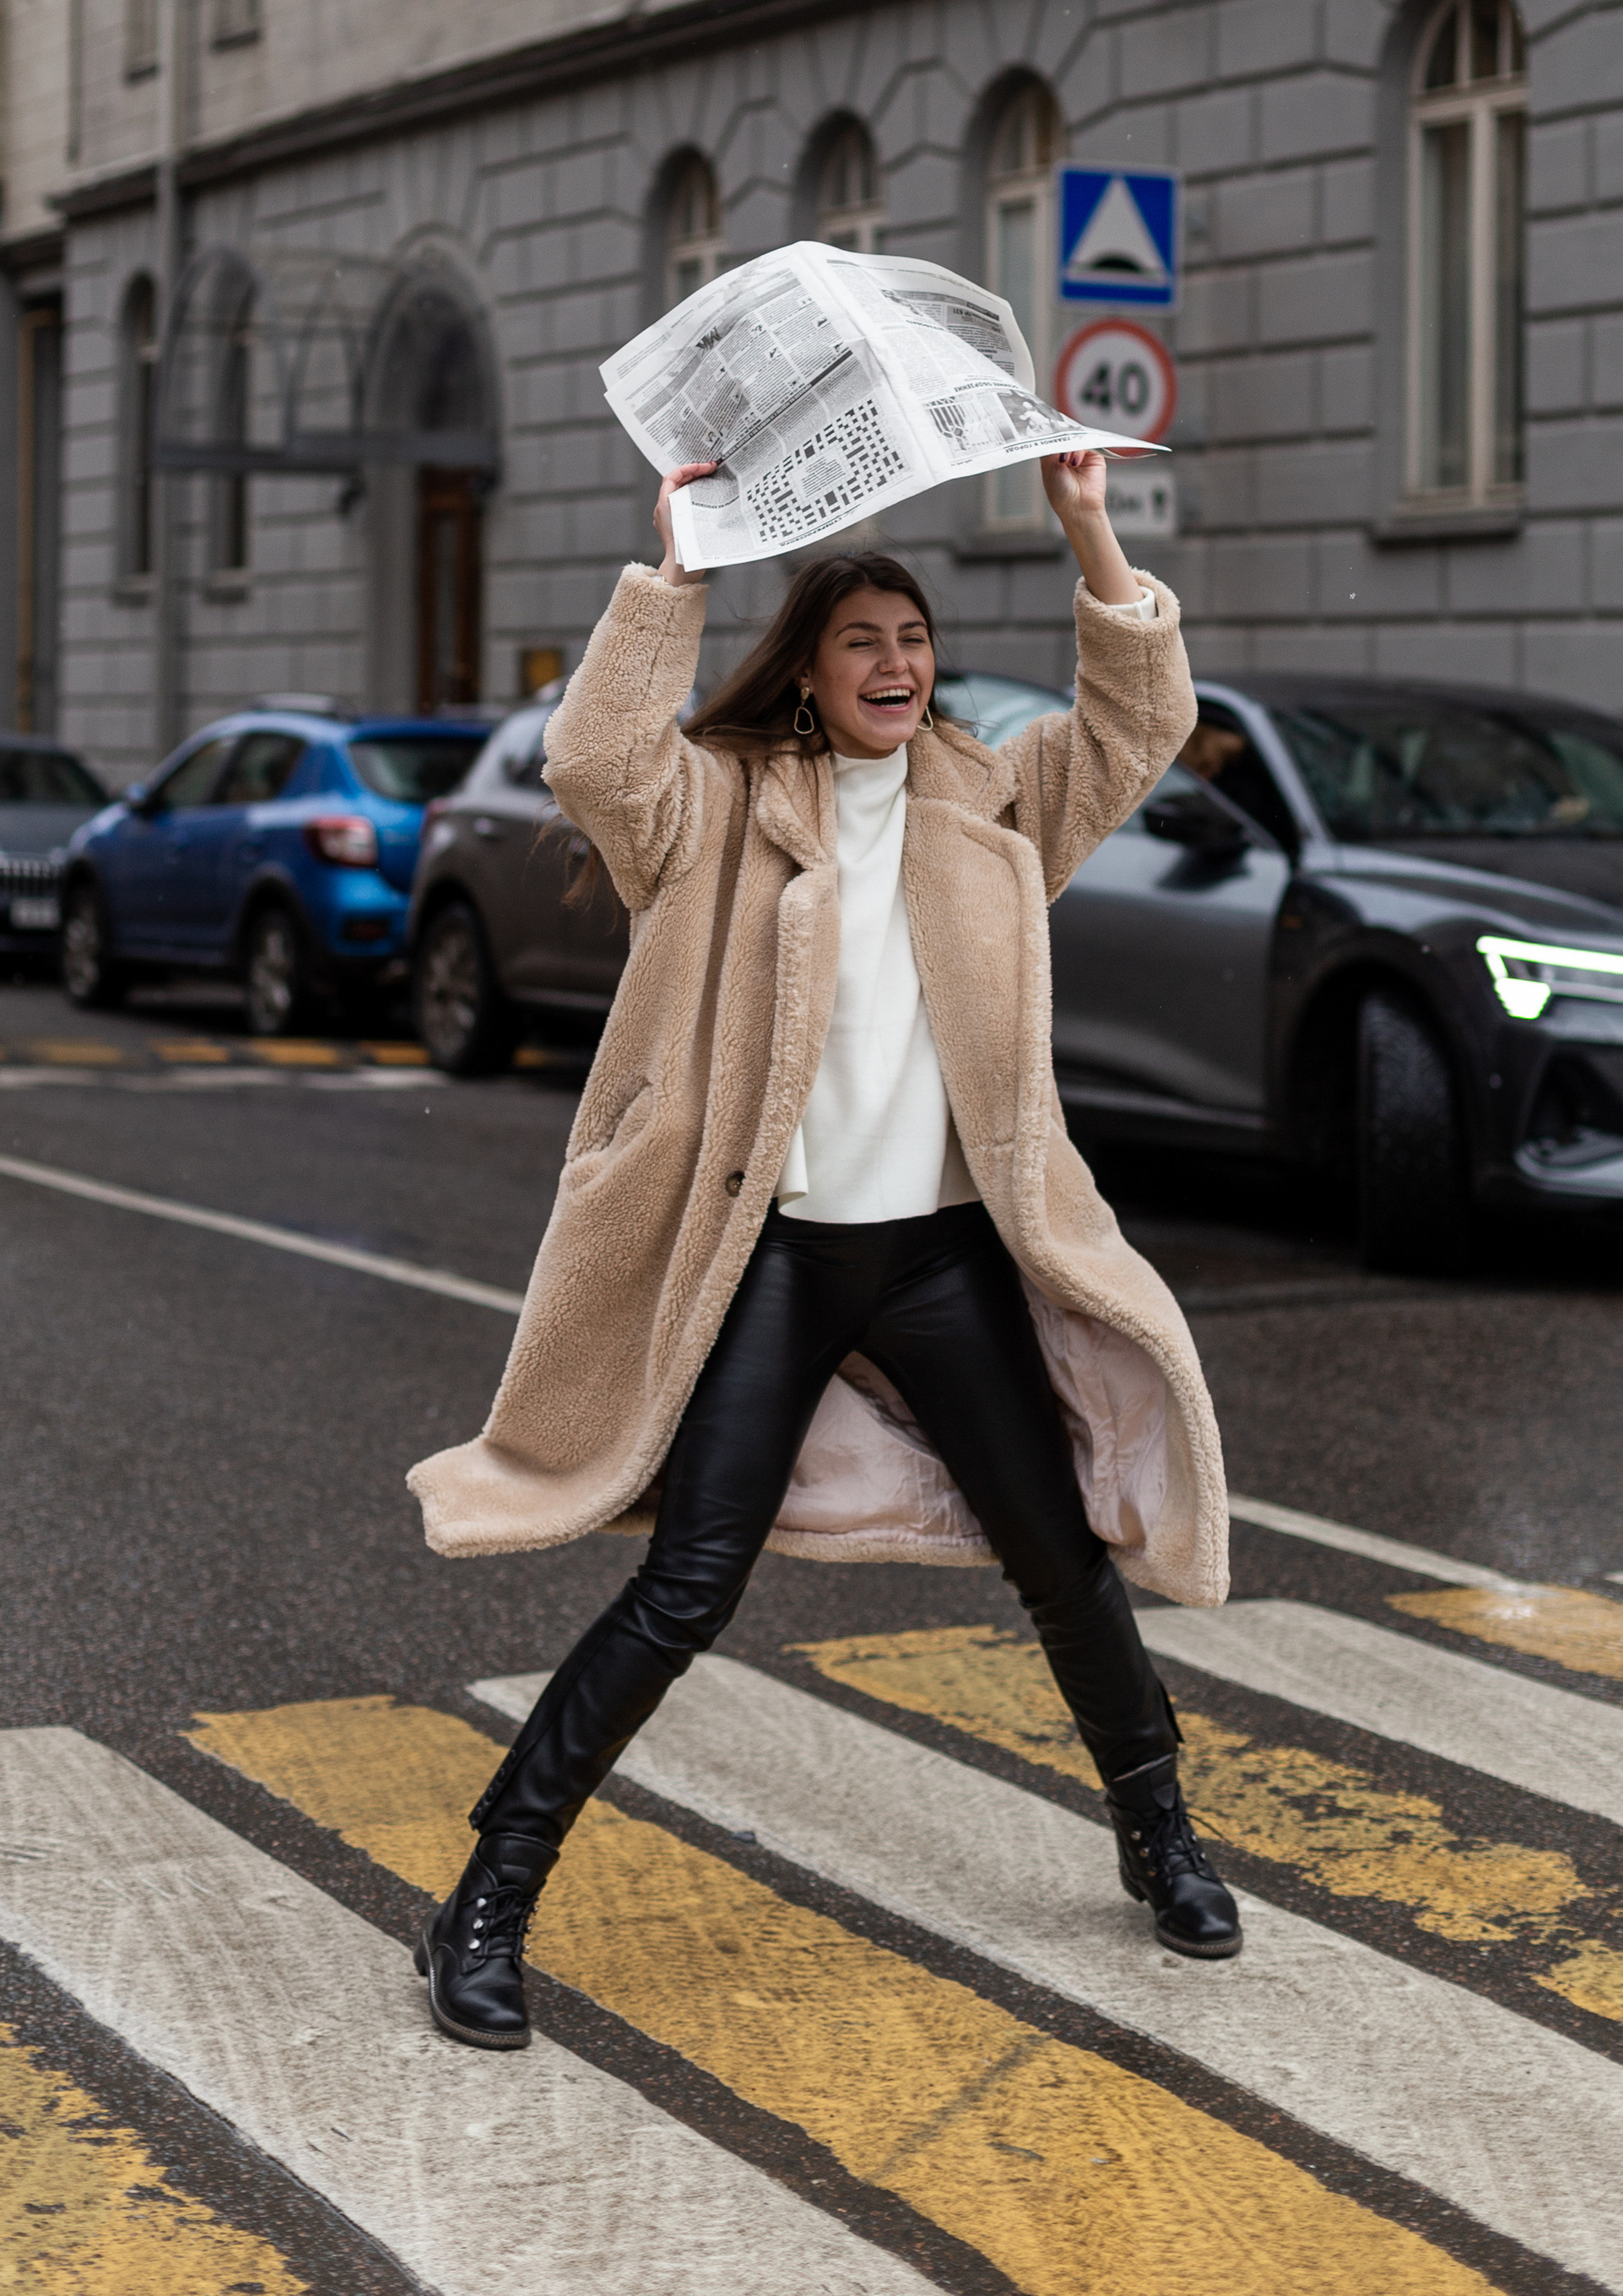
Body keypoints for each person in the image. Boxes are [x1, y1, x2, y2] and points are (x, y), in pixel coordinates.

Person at [408, 449, 1237, 2050]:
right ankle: (489, 1894)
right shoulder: (717, 813)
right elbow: (596, 759)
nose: (897, 665)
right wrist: (679, 574)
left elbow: (1137, 725)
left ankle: (1161, 1838)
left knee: (1059, 1560)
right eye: (862, 641)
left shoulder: (987, 803)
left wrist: (1086, 526)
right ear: (806, 669)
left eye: (914, 640)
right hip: (770, 1260)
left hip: (938, 1256)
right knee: (686, 1589)